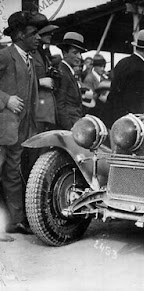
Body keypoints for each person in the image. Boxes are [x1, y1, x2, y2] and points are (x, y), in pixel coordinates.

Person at [0, 11, 48, 241]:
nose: (39, 38)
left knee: (12, 174)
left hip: (19, 131)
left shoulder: (28, 59)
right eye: (34, 33)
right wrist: (5, 99)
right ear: (20, 35)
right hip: (2, 129)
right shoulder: (4, 56)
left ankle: (15, 221)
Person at [103, 29, 144, 128]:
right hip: (128, 125)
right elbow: (136, 104)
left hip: (111, 120)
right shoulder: (141, 69)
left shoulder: (123, 62)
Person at [54, 32, 87, 130]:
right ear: (64, 53)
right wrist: (70, 128)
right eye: (75, 52)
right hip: (70, 126)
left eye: (80, 53)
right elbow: (60, 105)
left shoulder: (68, 72)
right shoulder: (63, 73)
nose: (79, 57)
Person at [32, 23, 59, 132]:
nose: (50, 35)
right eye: (47, 33)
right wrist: (39, 82)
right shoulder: (31, 53)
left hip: (46, 109)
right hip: (37, 109)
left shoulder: (43, 53)